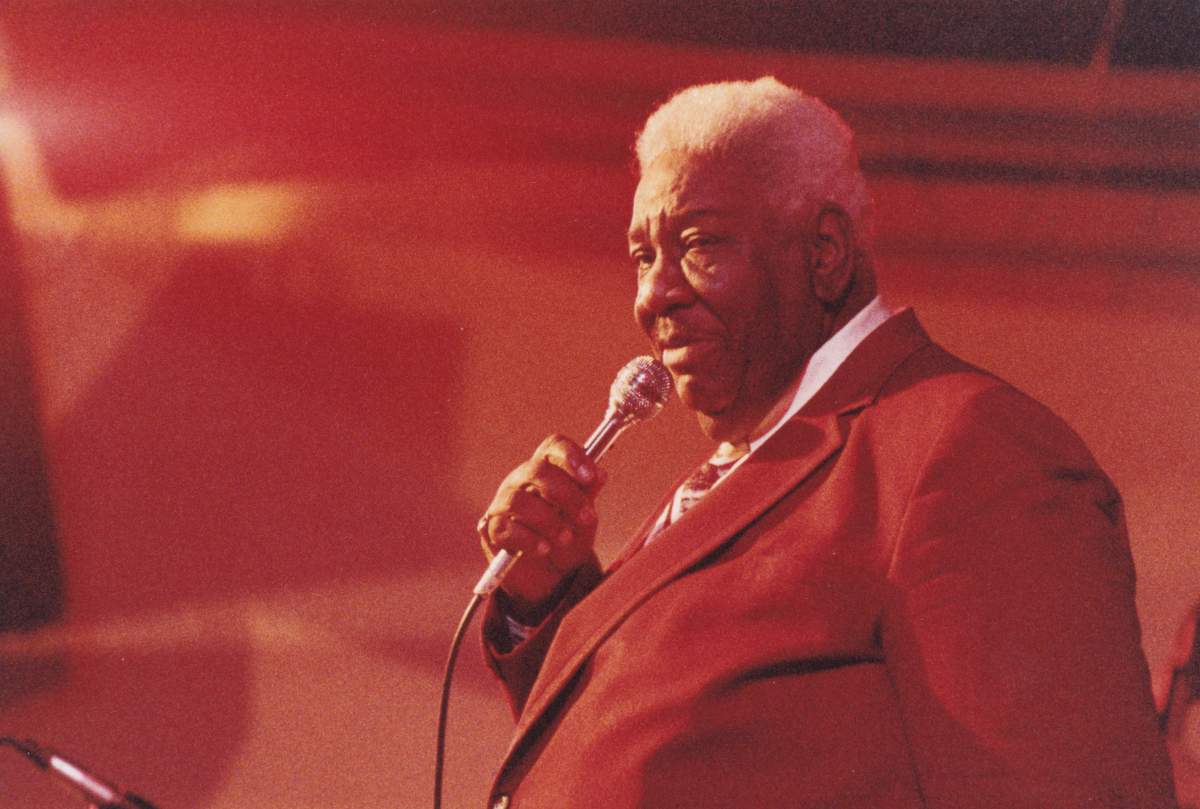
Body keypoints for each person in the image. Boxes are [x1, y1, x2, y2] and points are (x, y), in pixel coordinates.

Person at [473, 77, 1176, 809]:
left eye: (699, 244)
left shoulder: (967, 450)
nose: (656, 293)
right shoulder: (751, 467)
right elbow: (663, 751)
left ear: (826, 251)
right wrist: (546, 597)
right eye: (643, 256)